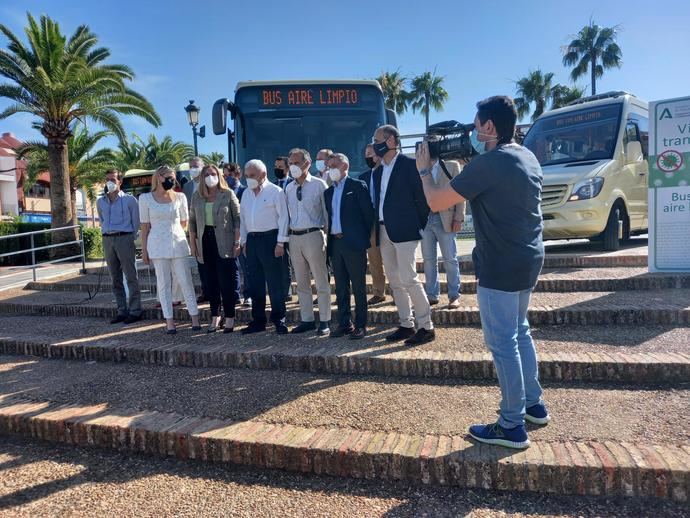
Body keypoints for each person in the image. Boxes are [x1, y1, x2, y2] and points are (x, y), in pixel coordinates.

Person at [416, 95, 549, 450]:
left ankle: (511, 425)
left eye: (475, 127)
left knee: (502, 342)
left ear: (489, 127)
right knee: (520, 332)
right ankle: (533, 404)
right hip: (528, 256)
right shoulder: (526, 155)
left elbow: (435, 201)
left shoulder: (489, 163)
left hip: (501, 262)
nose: (471, 134)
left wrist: (424, 170)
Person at [372, 125, 434, 345]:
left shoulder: (410, 165)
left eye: (377, 139)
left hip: (406, 230)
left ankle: (426, 326)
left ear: (390, 141)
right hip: (384, 229)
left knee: (409, 278)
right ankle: (406, 324)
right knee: (395, 281)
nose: (373, 143)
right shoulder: (377, 171)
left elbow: (423, 198)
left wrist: (417, 225)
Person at [140, 165, 200, 334]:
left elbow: (184, 222)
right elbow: (144, 227)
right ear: (159, 177)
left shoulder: (180, 197)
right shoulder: (145, 199)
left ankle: (194, 317)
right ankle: (169, 321)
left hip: (177, 242)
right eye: (169, 177)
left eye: (173, 178)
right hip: (157, 245)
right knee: (163, 283)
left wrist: (172, 231)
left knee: (185, 280)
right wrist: (144, 251)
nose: (171, 180)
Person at [324, 153, 375, 339]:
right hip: (336, 243)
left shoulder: (357, 186)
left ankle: (361, 324)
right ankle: (344, 323)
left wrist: (360, 237)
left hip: (353, 243)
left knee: (359, 286)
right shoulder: (328, 192)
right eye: (329, 166)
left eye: (334, 165)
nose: (331, 169)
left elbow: (368, 215)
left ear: (345, 166)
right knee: (341, 286)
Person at [239, 159, 290, 335]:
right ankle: (258, 320)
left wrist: (280, 242)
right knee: (255, 283)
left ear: (263, 174)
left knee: (275, 282)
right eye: (246, 176)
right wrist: (243, 242)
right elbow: (243, 220)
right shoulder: (246, 193)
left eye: (252, 175)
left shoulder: (276, 191)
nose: (248, 179)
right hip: (252, 241)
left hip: (271, 239)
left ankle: (279, 319)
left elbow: (284, 218)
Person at [189, 165, 241, 333]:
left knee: (226, 282)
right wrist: (193, 243)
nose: (210, 177)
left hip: (225, 242)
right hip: (205, 242)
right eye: (207, 174)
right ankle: (215, 316)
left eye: (213, 174)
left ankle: (230, 317)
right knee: (210, 283)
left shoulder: (228, 194)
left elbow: (238, 220)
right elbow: (192, 222)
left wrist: (237, 242)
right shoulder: (197, 196)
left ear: (219, 176)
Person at [285, 148, 331, 336]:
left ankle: (325, 320)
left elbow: (327, 213)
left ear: (307, 164)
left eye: (296, 162)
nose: (293, 166)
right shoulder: (288, 188)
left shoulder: (320, 185)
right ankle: (307, 319)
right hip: (294, 238)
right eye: (291, 163)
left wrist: (327, 235)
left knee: (321, 280)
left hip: (314, 235)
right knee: (301, 282)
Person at [420, 146, 465, 309]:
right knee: (428, 260)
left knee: (450, 258)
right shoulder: (420, 167)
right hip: (426, 219)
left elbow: (461, 193)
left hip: (446, 216)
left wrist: (459, 217)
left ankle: (454, 295)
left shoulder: (452, 165)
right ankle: (432, 294)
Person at [96, 168, 142, 324]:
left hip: (125, 238)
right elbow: (102, 220)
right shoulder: (100, 201)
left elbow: (136, 223)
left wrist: (129, 238)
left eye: (113, 179)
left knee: (130, 276)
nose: (110, 182)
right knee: (115, 278)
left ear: (120, 181)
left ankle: (135, 310)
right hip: (108, 240)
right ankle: (121, 310)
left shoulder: (130, 200)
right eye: (108, 179)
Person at [358, 144, 387, 305]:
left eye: (370, 154)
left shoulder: (387, 173)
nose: (368, 157)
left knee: (392, 260)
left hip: (388, 220)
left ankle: (399, 293)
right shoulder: (362, 177)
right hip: (370, 223)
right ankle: (378, 291)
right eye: (366, 154)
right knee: (374, 259)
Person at [182, 156, 209, 304]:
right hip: (195, 230)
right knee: (201, 263)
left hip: (211, 228)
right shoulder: (186, 187)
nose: (193, 168)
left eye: (196, 166)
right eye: (191, 166)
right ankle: (206, 291)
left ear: (203, 167)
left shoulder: (210, 183)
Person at [224, 162, 251, 307]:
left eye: (229, 175)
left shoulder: (245, 191)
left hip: (242, 233)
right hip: (227, 235)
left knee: (246, 267)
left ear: (237, 175)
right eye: (225, 175)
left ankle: (248, 295)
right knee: (232, 267)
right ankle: (235, 295)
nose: (226, 178)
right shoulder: (222, 193)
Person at [273, 156, 293, 302]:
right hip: (277, 229)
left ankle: (289, 290)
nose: (277, 169)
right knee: (281, 262)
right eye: (276, 167)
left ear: (287, 168)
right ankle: (283, 290)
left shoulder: (294, 184)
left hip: (294, 228)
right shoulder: (273, 187)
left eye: (280, 167)